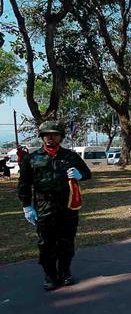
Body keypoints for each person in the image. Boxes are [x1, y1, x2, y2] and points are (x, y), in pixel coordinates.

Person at [17, 121, 92, 290]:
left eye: (55, 134)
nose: (51, 137)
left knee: (66, 242)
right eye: (47, 135)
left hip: (67, 207)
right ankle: (50, 275)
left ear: (60, 137)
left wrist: (80, 175)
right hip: (43, 206)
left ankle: (65, 272)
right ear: (42, 137)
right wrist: (27, 206)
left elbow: (88, 173)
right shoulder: (32, 159)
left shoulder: (70, 156)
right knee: (46, 243)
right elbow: (24, 184)